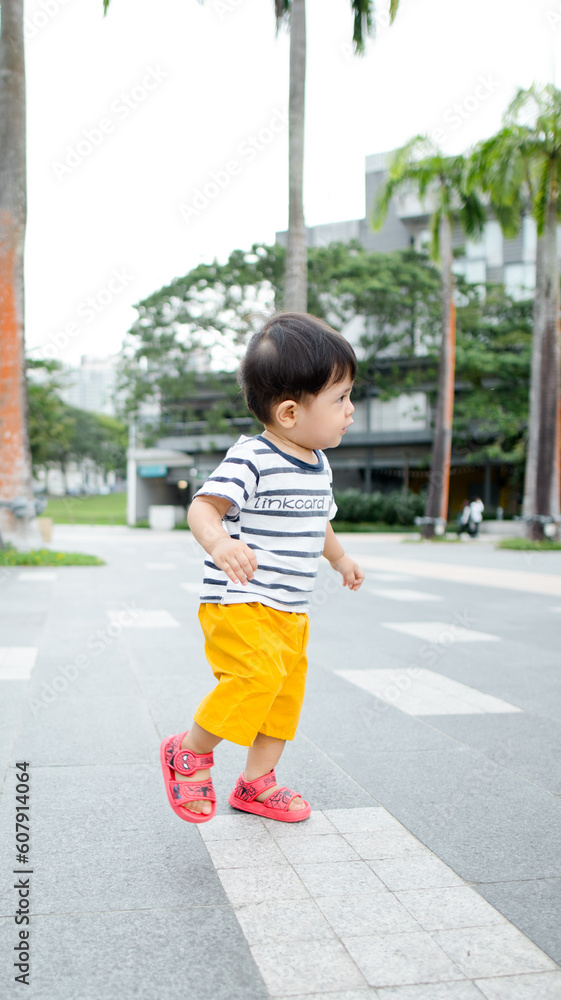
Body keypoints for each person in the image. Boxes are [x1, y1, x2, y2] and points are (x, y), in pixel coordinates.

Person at [160, 312, 365, 824]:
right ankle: (188, 750)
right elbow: (203, 507)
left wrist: (339, 558)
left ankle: (256, 784)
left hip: (291, 611)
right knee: (252, 679)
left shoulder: (318, 465)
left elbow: (319, 523)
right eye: (340, 398)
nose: (351, 410)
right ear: (291, 412)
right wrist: (220, 542)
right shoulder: (252, 456)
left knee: (281, 697)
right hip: (242, 600)